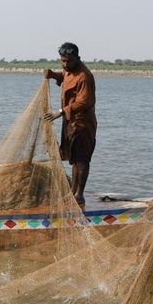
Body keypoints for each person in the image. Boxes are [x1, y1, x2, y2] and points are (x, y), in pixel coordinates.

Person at [42, 42, 97, 208]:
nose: (65, 64)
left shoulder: (84, 76)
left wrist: (60, 111)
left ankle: (79, 195)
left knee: (82, 159)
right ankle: (73, 192)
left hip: (82, 125)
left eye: (68, 61)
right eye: (62, 61)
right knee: (74, 159)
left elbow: (84, 101)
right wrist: (53, 75)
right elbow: (65, 78)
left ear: (77, 58)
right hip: (70, 123)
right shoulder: (69, 70)